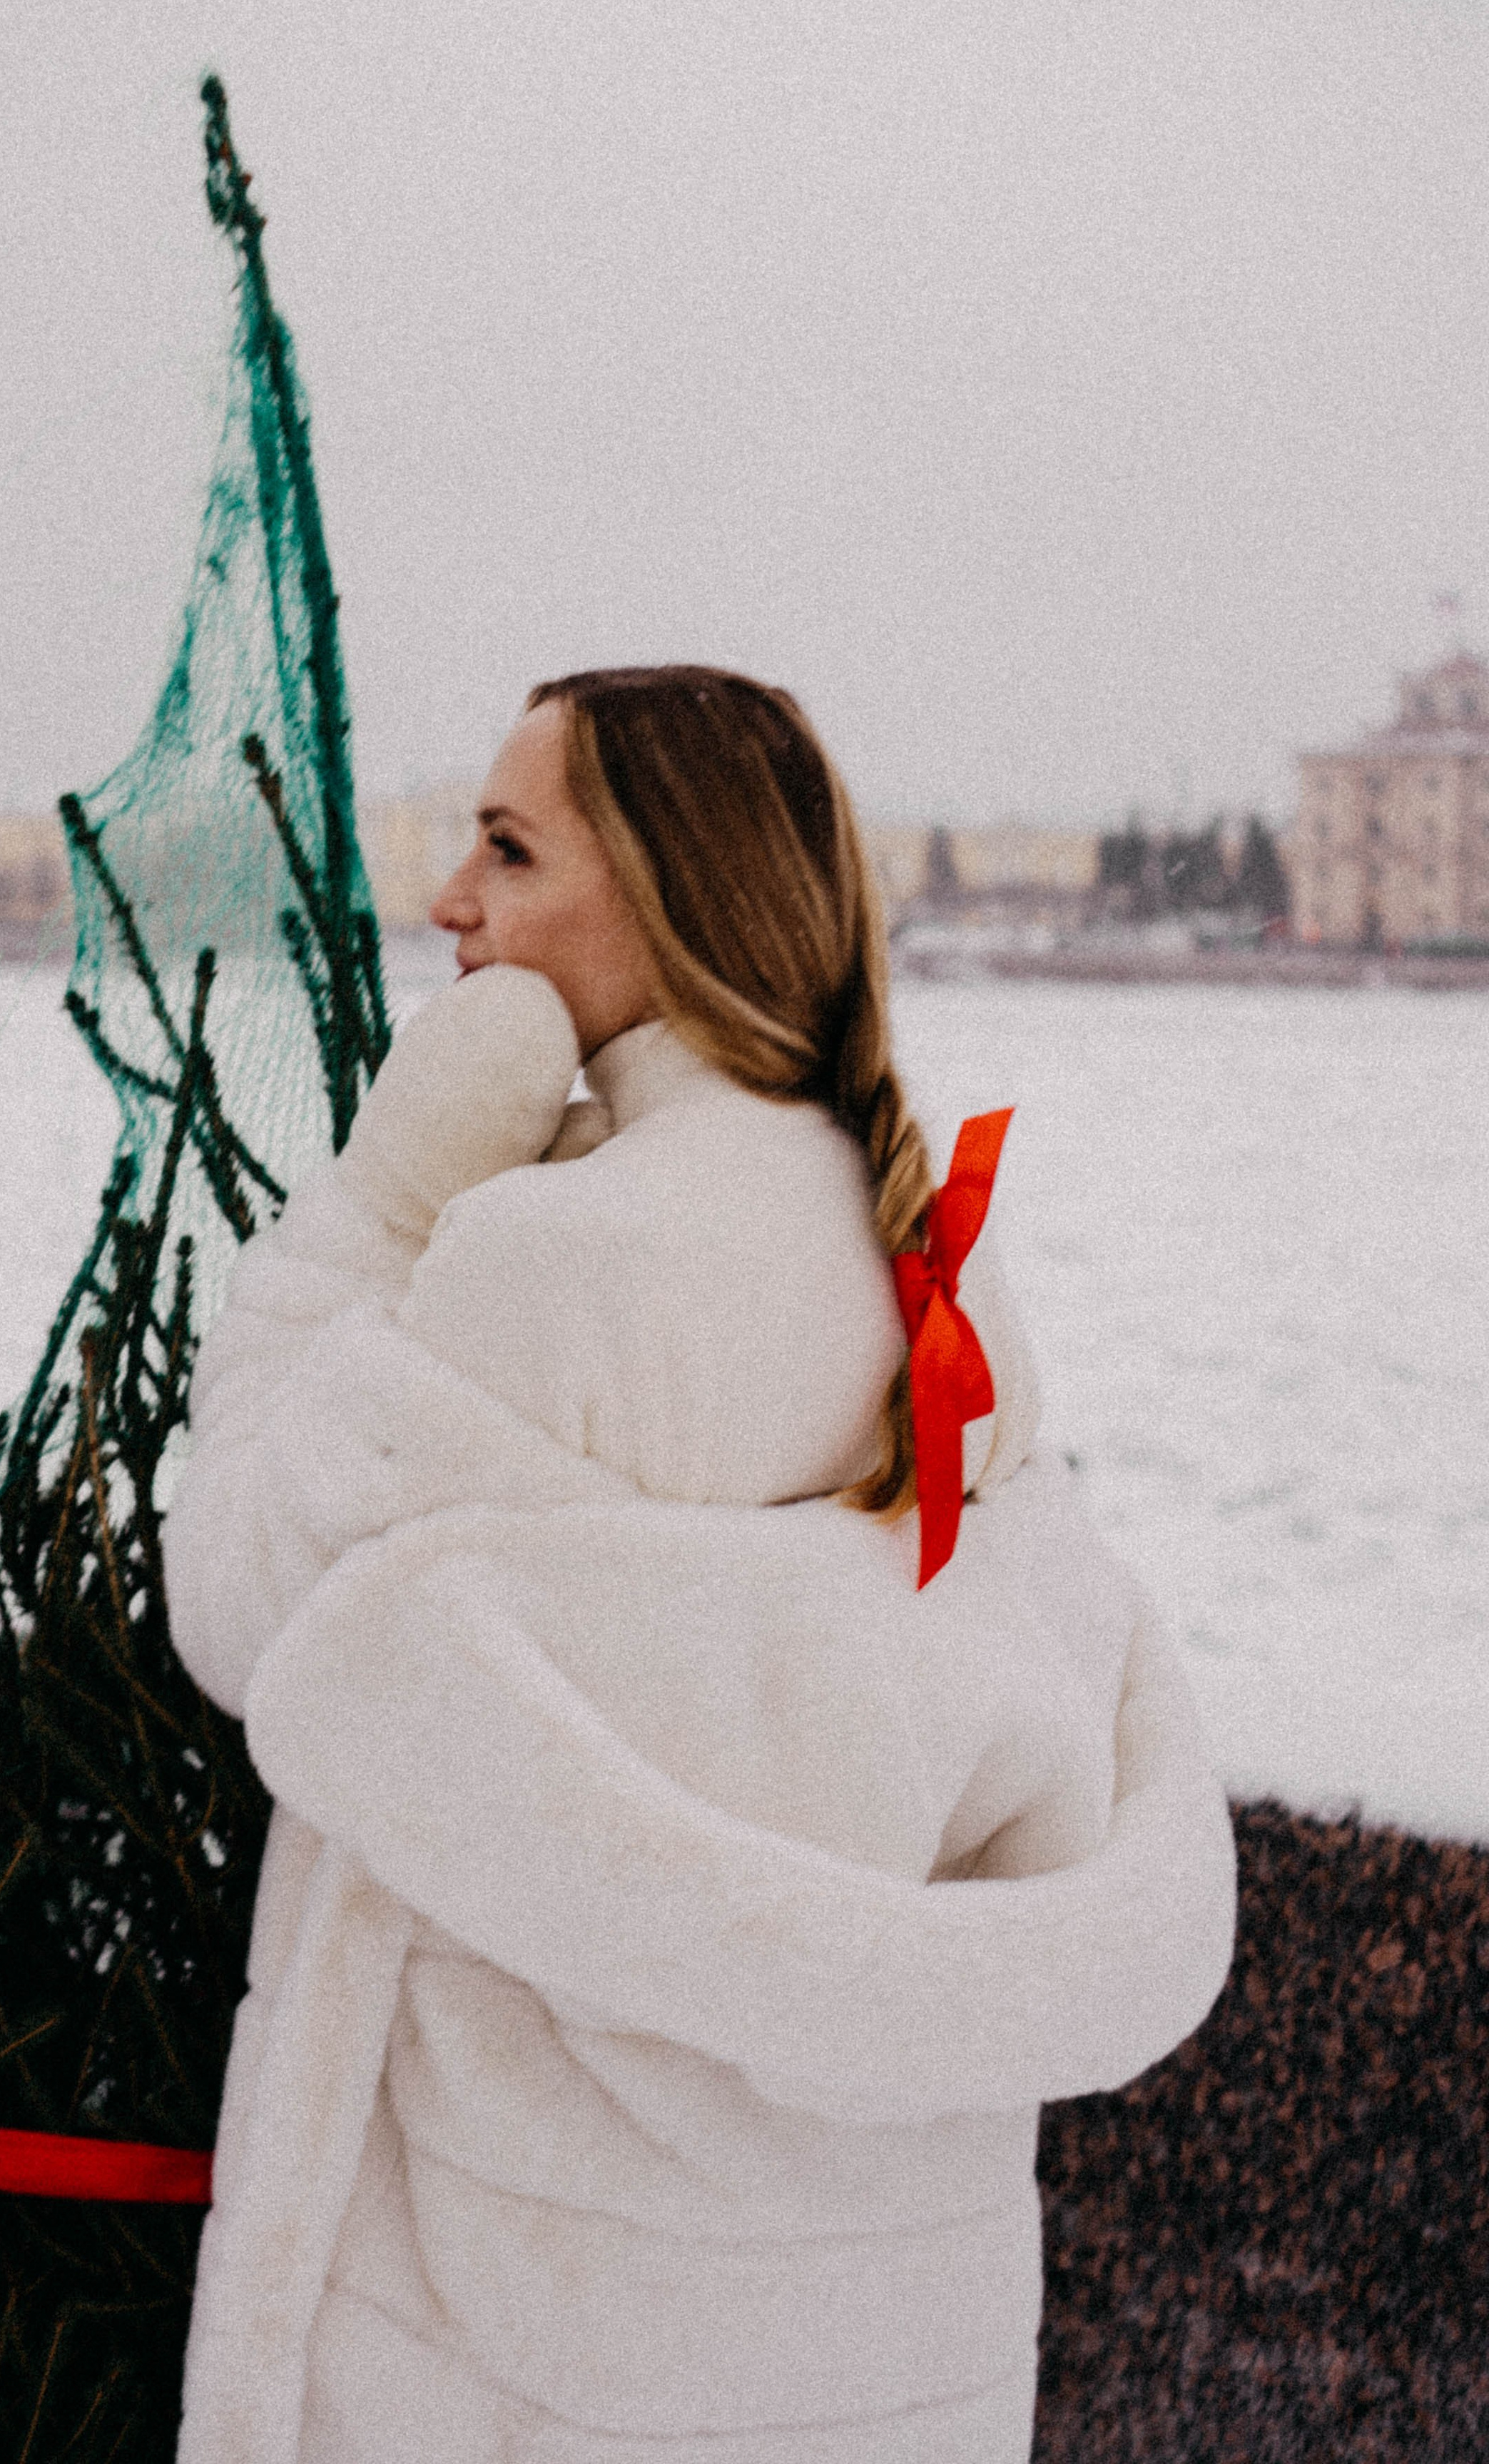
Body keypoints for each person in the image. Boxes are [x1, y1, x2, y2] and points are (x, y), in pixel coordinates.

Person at [163, 666, 1236, 2464]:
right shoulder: (947, 1284)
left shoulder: (544, 1262)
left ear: (667, 897)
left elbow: (249, 1608)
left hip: (526, 2339)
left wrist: (379, 1205)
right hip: (885, 2352)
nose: (447, 902)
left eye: (505, 850)